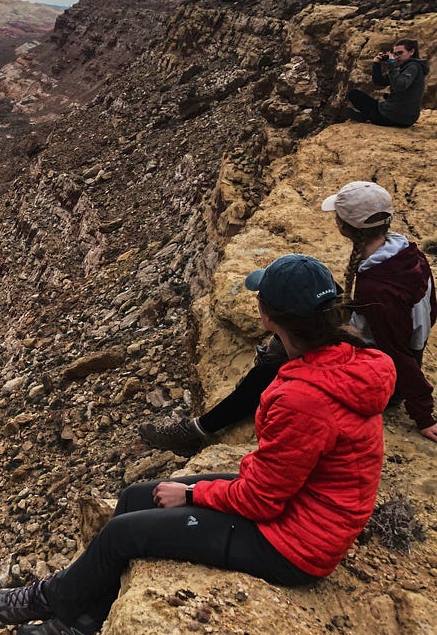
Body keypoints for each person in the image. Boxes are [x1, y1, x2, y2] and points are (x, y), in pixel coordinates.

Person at [0, 255, 395, 635]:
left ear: (268, 316)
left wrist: (194, 496)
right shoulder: (349, 359)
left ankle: (53, 601)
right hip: (298, 504)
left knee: (122, 533)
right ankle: (86, 620)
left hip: (293, 544)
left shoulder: (303, 399)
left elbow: (262, 501)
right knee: (134, 498)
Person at [140, 181, 437, 453]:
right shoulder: (405, 252)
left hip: (382, 371)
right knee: (312, 290)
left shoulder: (378, 290)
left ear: (344, 226)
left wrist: (423, 413)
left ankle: (197, 430)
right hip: (380, 345)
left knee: (267, 371)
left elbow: (398, 353)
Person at [345, 39, 429, 127]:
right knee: (357, 95)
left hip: (395, 117)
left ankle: (367, 117)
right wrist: (376, 64)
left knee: (354, 94)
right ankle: (369, 116)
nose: (396, 57)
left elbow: (400, 86)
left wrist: (392, 64)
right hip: (404, 118)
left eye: (400, 53)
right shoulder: (402, 67)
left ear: (411, 52)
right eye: (395, 54)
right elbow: (379, 82)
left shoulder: (413, 67)